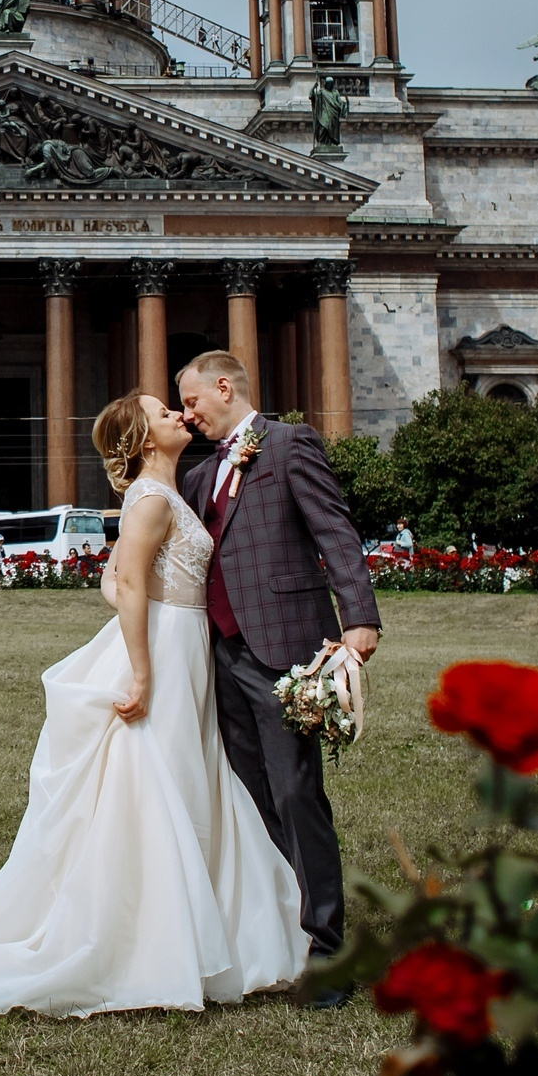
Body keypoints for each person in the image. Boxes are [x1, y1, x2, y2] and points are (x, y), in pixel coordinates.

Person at [0, 393, 306, 1016]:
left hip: (185, 644)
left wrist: (150, 605)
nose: (178, 415)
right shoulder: (151, 499)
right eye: (163, 413)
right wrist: (143, 668)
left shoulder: (165, 492)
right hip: (162, 651)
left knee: (187, 776)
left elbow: (115, 578)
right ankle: (148, 942)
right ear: (144, 439)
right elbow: (128, 582)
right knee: (154, 780)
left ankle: (195, 930)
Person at [175, 350, 379, 992]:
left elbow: (335, 531)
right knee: (250, 796)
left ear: (224, 387)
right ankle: (282, 926)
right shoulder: (198, 476)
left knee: (295, 793)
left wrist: (359, 618)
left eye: (192, 402)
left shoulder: (290, 445)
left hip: (284, 646)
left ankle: (328, 947)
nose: (188, 415)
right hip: (222, 655)